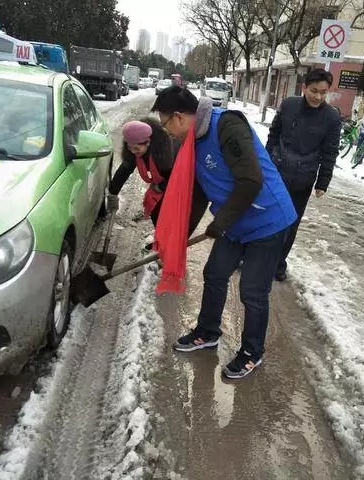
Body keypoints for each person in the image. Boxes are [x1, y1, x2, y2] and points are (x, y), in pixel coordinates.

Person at [151, 86, 297, 379]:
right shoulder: (191, 141)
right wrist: (177, 239)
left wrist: (220, 223)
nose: (168, 132)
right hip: (236, 223)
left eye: (166, 124)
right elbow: (197, 191)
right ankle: (207, 332)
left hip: (267, 220)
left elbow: (251, 181)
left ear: (179, 117)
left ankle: (252, 353)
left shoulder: (227, 125)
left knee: (252, 292)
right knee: (215, 273)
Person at [265, 68, 341, 282]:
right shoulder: (289, 105)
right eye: (314, 91)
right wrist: (267, 159)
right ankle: (253, 257)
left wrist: (323, 181)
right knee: (267, 217)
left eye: (323, 93)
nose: (318, 96)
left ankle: (278, 264)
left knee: (290, 224)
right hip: (277, 173)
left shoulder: (331, 117)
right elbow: (274, 133)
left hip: (303, 179)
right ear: (304, 87)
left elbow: (330, 152)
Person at [107, 118, 207, 250]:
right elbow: (124, 170)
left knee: (175, 219)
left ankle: (170, 250)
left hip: (189, 184)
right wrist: (113, 192)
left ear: (148, 143)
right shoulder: (134, 148)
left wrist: (161, 186)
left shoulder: (168, 149)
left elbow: (178, 176)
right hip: (163, 180)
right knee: (155, 211)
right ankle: (161, 242)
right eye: (130, 148)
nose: (133, 151)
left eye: (136, 148)